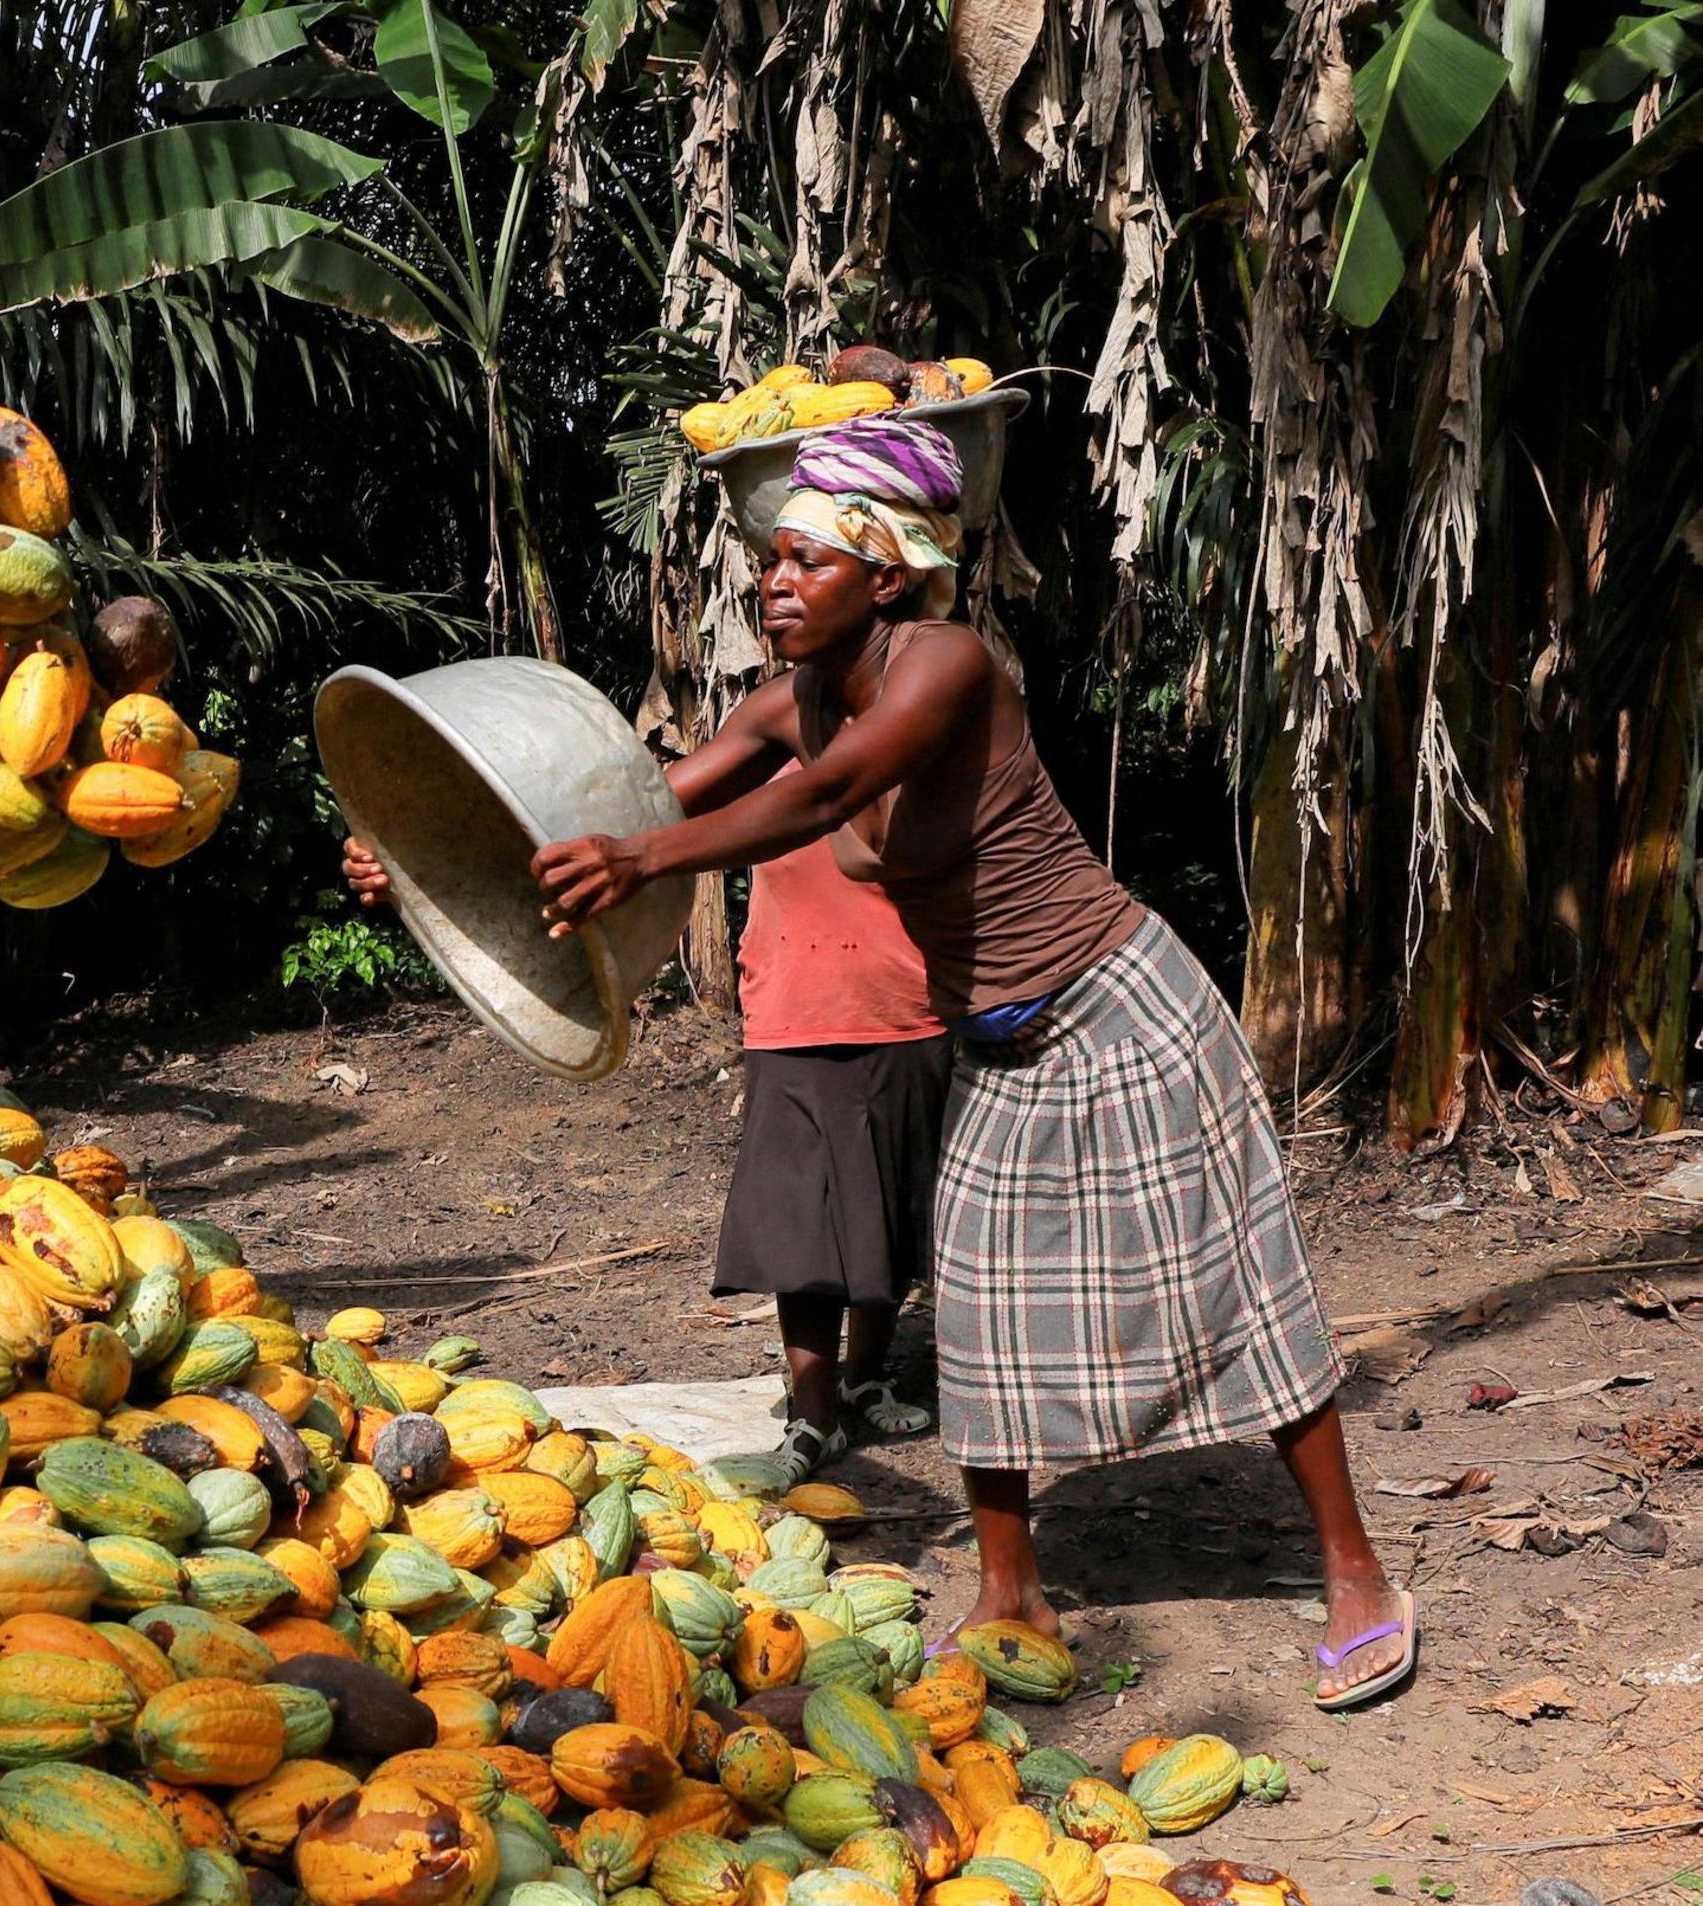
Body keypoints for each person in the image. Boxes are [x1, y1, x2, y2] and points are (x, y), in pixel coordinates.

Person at [436, 414, 1402, 1708]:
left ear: (886, 576)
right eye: (769, 561)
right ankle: (1010, 1594)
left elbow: (828, 795)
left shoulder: (948, 664)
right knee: (987, 1319)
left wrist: (644, 862)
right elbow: (644, 802)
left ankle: (1356, 1574)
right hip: (997, 1045)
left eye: (807, 562)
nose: (773, 583)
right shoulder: (788, 697)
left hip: (1118, 1005)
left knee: (1234, 1281)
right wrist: (444, 848)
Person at [350, 760, 947, 1471]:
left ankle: (865, 1375)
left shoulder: (918, 725)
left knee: (887, 1209)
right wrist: (417, 859)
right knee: (802, 1228)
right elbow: (601, 824)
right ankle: (815, 1415)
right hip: (793, 1012)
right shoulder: (767, 747)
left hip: (911, 1008)